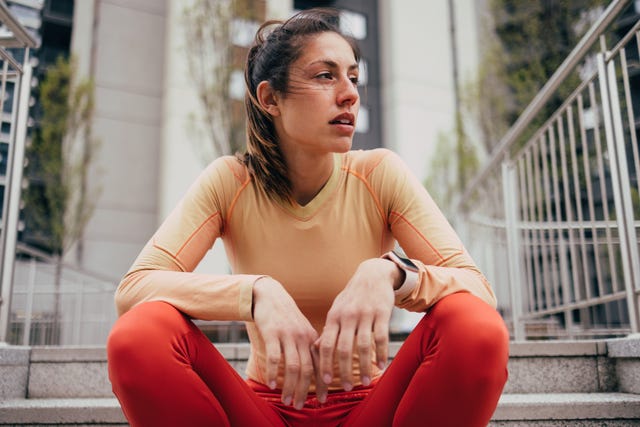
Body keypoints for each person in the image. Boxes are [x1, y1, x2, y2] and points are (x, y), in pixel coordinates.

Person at [106, 8, 509, 427]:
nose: (350, 93)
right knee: (141, 333)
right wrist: (254, 292)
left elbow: (478, 291)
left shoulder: (379, 174)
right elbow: (135, 288)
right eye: (325, 75)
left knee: (473, 325)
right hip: (262, 413)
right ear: (270, 99)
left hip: (370, 410)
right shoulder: (230, 181)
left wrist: (391, 273)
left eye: (353, 76)